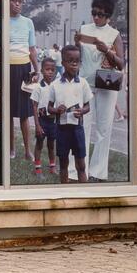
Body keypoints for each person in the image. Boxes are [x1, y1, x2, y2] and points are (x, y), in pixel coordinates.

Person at [76, 0, 124, 181]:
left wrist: (107, 51)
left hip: (106, 84)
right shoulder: (84, 29)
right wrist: (76, 45)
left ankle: (98, 171)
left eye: (101, 14)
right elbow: (75, 57)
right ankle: (79, 169)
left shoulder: (115, 34)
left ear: (108, 15)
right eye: (94, 12)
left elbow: (121, 63)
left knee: (103, 129)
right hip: (85, 83)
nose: (96, 17)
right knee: (82, 126)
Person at [50, 45, 92, 183]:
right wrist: (57, 110)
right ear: (62, 63)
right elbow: (49, 108)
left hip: (77, 129)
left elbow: (88, 106)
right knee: (63, 164)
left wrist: (82, 111)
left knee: (81, 164)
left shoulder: (83, 83)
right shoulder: (55, 85)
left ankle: (84, 194)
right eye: (70, 60)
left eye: (77, 61)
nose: (74, 63)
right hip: (62, 129)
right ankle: (65, 192)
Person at [7, 0, 40, 161]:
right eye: (14, 1)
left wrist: (37, 70)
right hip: (6, 69)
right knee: (8, 113)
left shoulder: (28, 22)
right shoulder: (0, 22)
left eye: (20, 1)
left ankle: (28, 150)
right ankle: (11, 149)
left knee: (25, 114)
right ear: (8, 2)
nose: (17, 4)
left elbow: (32, 49)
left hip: (24, 69)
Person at [31, 57, 59, 179]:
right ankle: (38, 169)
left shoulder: (56, 86)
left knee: (51, 145)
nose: (50, 72)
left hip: (53, 120)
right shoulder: (38, 87)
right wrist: (37, 125)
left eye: (52, 70)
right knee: (39, 144)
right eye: (47, 69)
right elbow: (34, 106)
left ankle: (52, 166)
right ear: (42, 70)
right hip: (42, 120)